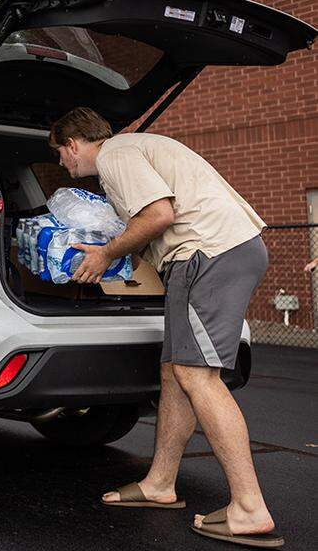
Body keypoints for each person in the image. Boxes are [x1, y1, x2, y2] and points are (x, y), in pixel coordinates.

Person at [49, 107, 281, 547]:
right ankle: (160, 483)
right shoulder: (139, 147)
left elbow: (158, 215)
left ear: (74, 144)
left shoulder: (115, 155)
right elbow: (151, 227)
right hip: (213, 252)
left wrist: (102, 255)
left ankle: (249, 507)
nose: (64, 164)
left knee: (198, 376)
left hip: (208, 254)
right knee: (175, 370)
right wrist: (120, 257)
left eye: (61, 154)